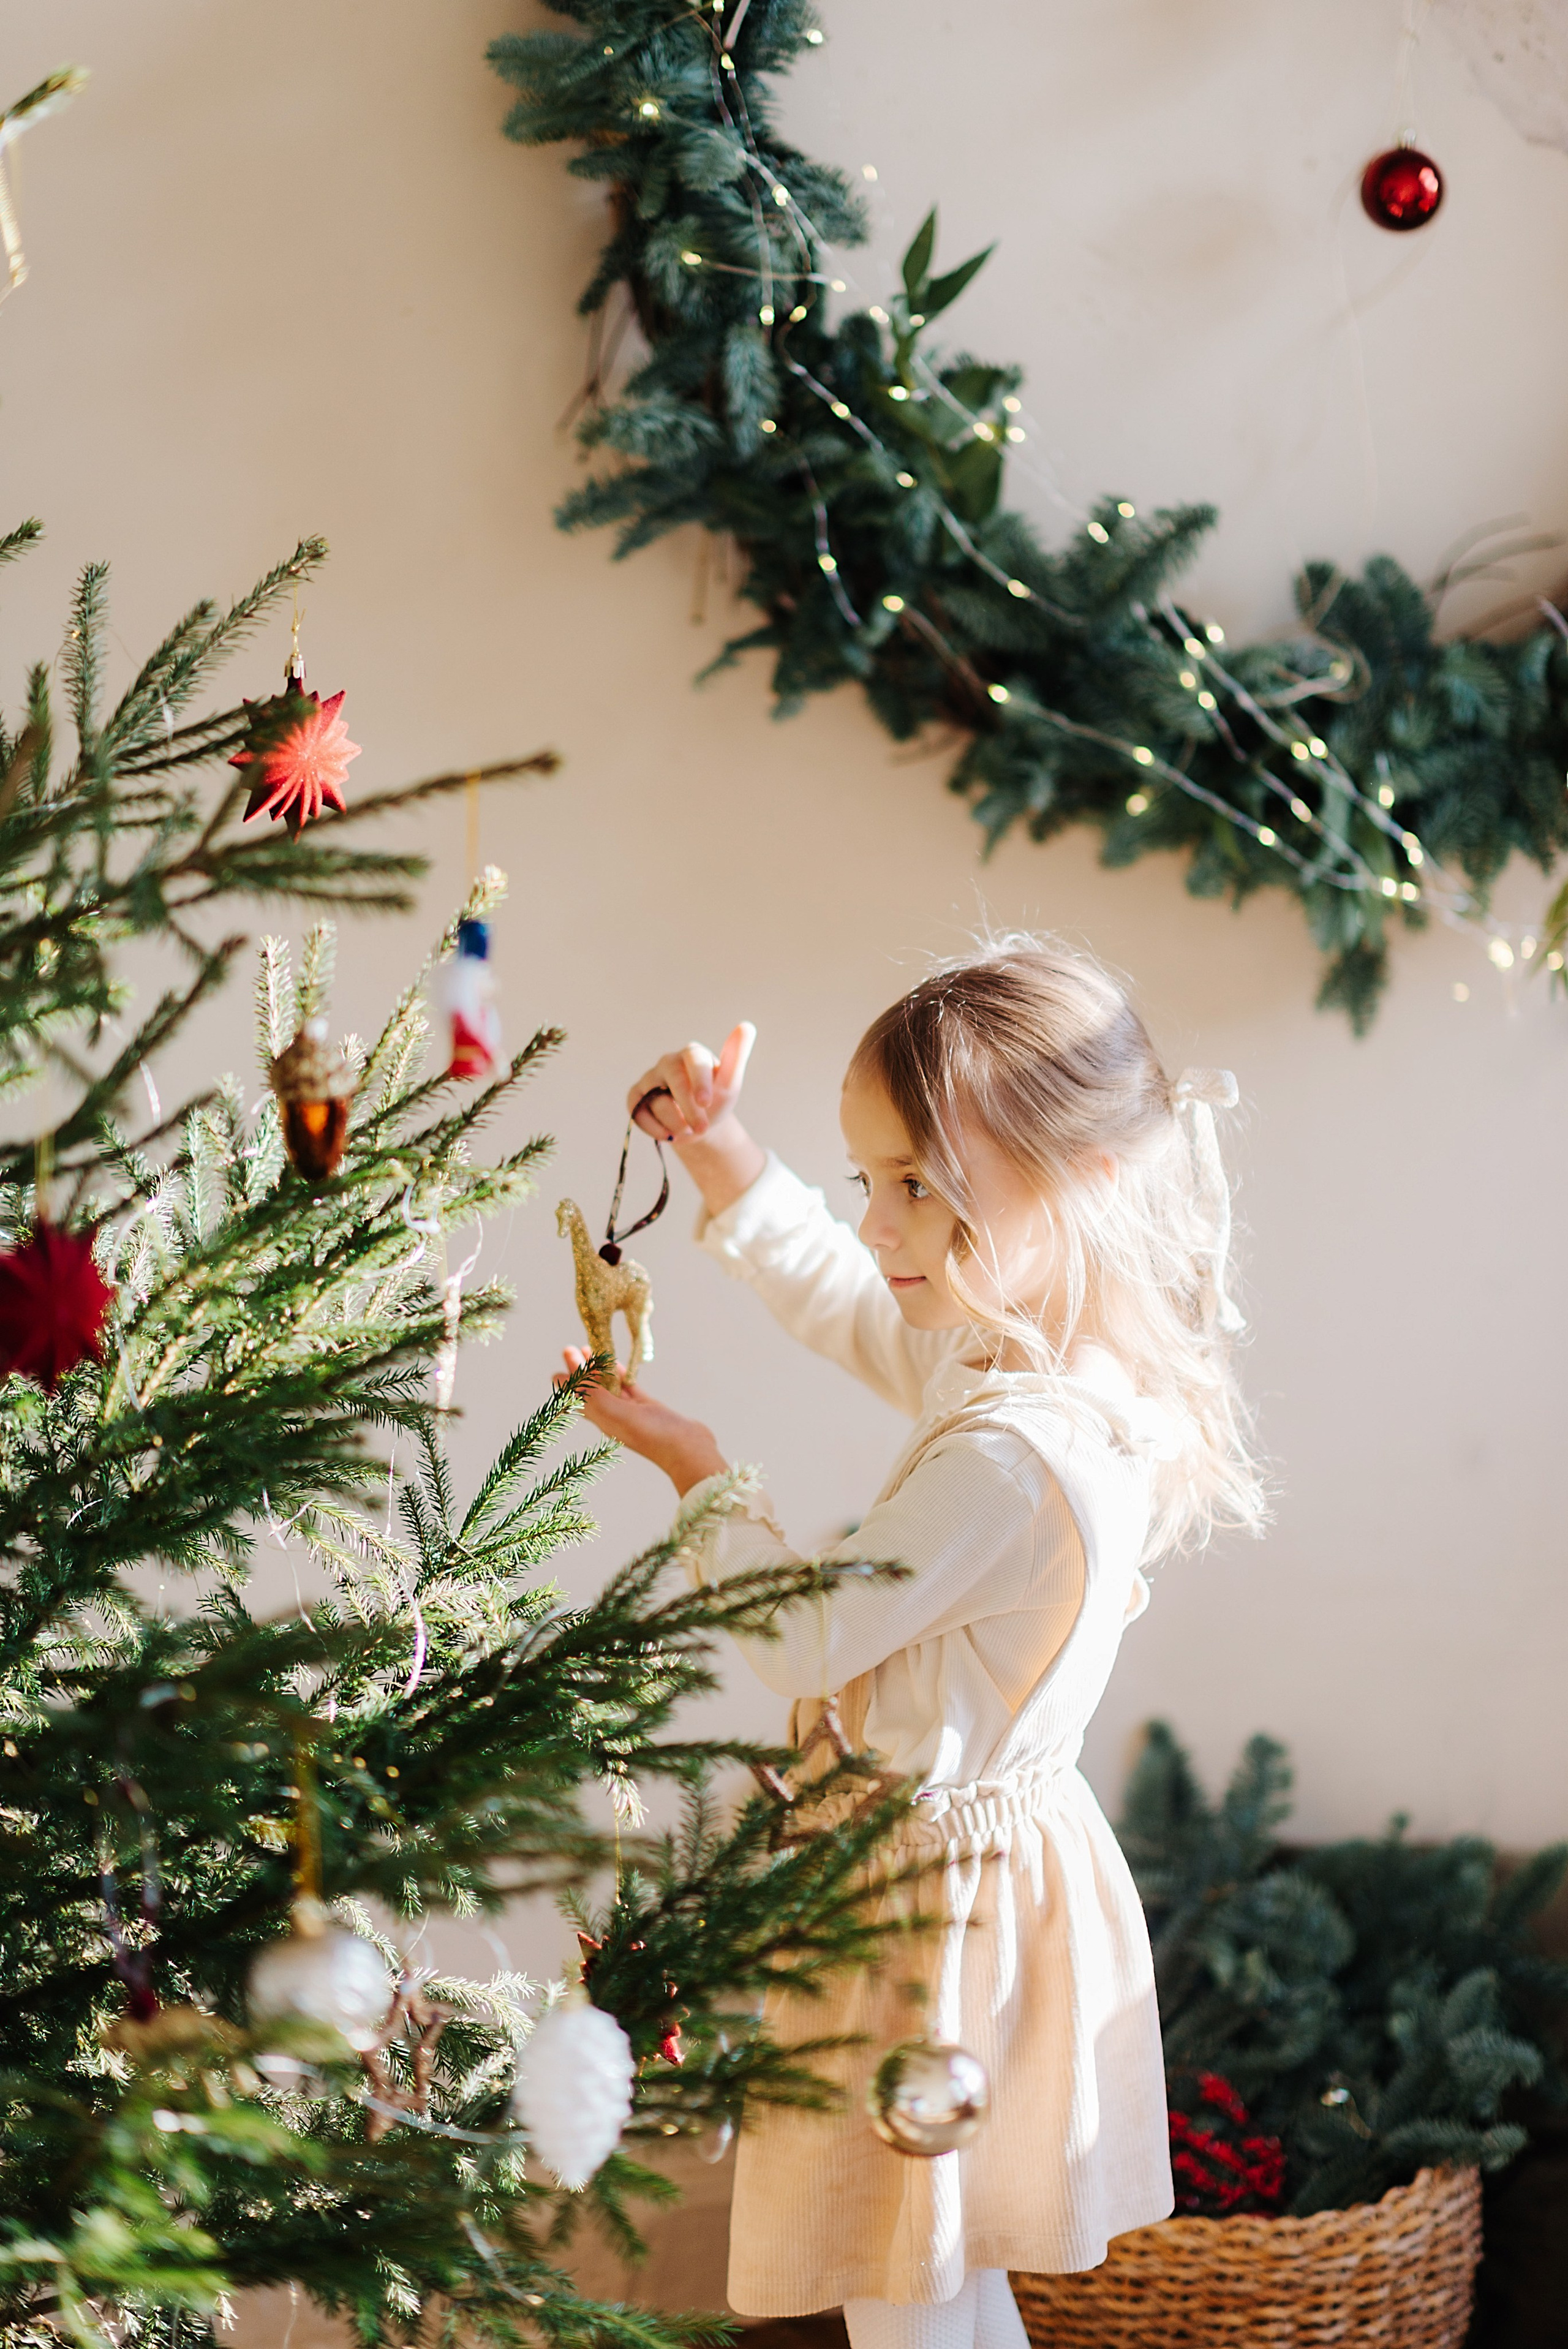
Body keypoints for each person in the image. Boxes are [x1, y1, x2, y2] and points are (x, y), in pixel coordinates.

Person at [560, 937, 1264, 2349]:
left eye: (917, 1189)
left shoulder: (1018, 1454)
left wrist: (702, 1476)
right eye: (867, 1182)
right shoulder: (1030, 1356)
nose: (880, 1229)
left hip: (928, 1911)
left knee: (904, 2277)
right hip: (955, 1874)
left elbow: (804, 1633)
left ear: (1078, 1189)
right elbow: (847, 1300)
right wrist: (723, 1162)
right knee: (919, 2270)